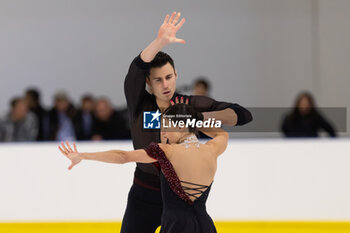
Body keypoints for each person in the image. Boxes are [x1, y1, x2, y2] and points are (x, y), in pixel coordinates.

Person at [123, 11, 252, 233]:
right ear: (148, 83)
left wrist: (199, 119)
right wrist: (160, 41)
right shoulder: (140, 104)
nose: (165, 84)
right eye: (158, 79)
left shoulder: (189, 105)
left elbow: (241, 115)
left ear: (176, 74)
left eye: (169, 77)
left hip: (180, 200)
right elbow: (135, 70)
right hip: (143, 195)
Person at [58, 103, 228, 233]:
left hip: (176, 225)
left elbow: (123, 156)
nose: (164, 134)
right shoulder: (212, 149)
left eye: (167, 127)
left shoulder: (167, 151)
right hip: (204, 224)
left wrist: (84, 156)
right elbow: (222, 134)